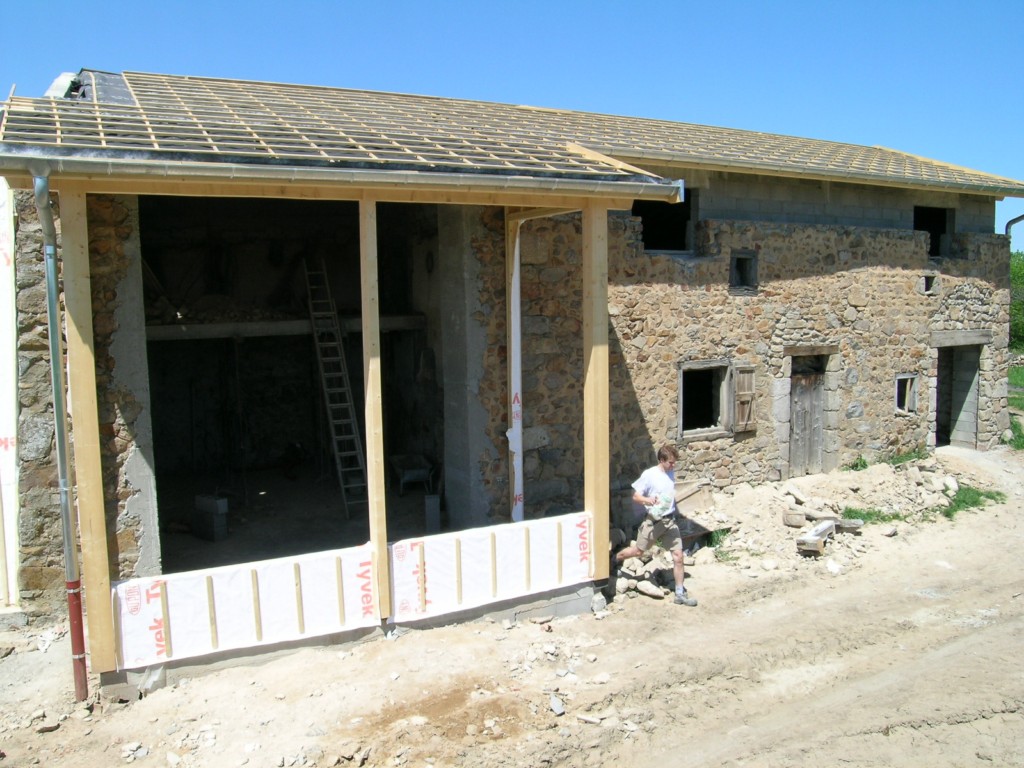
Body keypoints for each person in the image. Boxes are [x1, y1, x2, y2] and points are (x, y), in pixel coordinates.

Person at [612, 444, 697, 607]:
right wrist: (647, 500)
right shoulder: (649, 475)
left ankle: (679, 593)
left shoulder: (671, 472)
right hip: (653, 521)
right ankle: (615, 559)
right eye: (670, 463)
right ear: (661, 460)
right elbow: (636, 496)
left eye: (674, 462)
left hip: (669, 521)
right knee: (638, 551)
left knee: (678, 556)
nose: (673, 466)